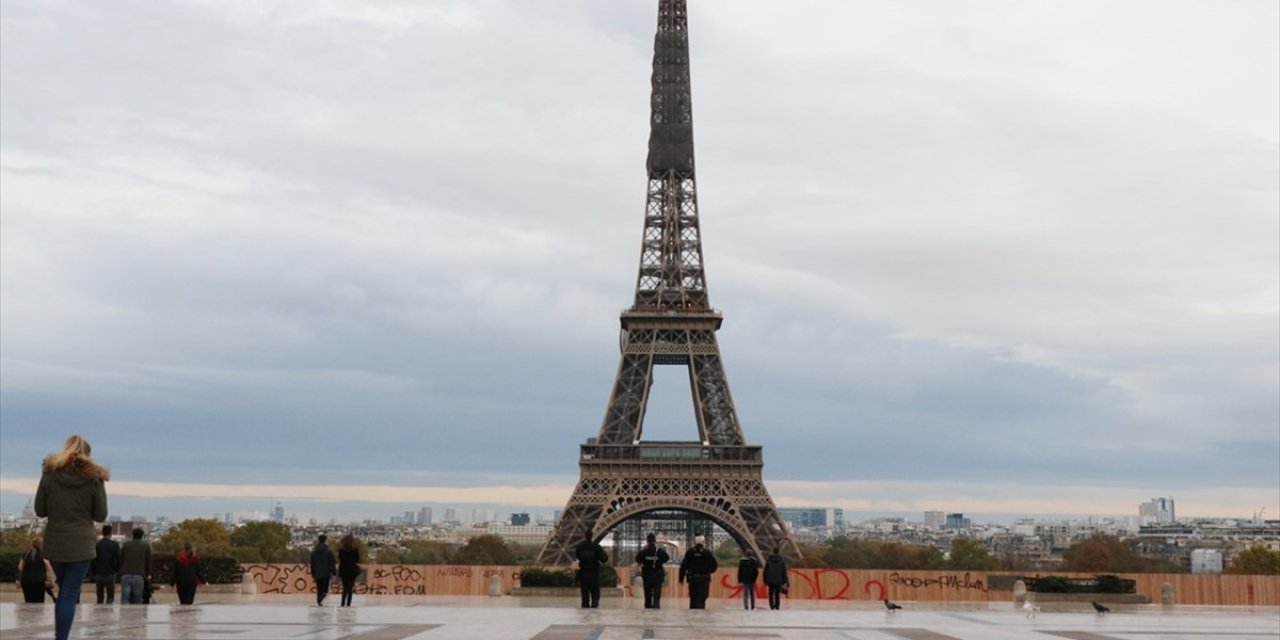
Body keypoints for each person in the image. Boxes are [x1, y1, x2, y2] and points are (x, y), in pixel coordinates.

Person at [35, 435, 109, 640]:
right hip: (82, 544)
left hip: (55, 542)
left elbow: (40, 510)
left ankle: (61, 636)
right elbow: (100, 515)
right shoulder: (95, 479)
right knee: (70, 593)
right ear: (88, 454)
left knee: (63, 591)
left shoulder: (49, 474)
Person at [678, 534, 718, 609]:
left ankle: (693, 616)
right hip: (704, 578)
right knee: (701, 599)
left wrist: (681, 578)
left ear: (695, 542)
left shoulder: (690, 552)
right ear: (703, 542)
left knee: (693, 598)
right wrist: (709, 571)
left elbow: (683, 566)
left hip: (693, 578)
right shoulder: (707, 552)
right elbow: (715, 565)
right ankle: (700, 616)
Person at [635, 533, 669, 609]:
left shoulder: (644, 551)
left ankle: (648, 607)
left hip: (647, 575)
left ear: (647, 541)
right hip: (657, 575)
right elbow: (667, 558)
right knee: (657, 594)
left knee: (648, 594)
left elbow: (637, 559)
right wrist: (659, 562)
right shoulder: (659, 551)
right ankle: (656, 607)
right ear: (655, 541)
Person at [118, 528, 152, 604]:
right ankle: (137, 614)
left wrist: (121, 571)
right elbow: (148, 561)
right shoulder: (146, 545)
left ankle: (123, 614)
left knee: (125, 597)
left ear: (132, 535)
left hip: (126, 574)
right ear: (142, 536)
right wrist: (148, 574)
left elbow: (121, 559)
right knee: (138, 598)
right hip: (139, 575)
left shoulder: (126, 545)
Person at [17, 537, 56, 603]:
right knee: (39, 603)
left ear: (32, 544)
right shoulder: (43, 554)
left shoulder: (26, 554)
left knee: (28, 602)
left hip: (26, 581)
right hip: (39, 582)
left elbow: (20, 567)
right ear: (41, 544)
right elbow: (49, 567)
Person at [573, 537, 609, 608]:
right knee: (594, 589)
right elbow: (604, 559)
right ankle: (594, 603)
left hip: (584, 571)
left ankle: (585, 603)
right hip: (594, 572)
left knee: (584, 590)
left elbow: (577, 555)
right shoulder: (596, 547)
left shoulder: (580, 547)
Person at [93, 524, 121, 604]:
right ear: (110, 533)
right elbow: (118, 559)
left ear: (102, 533)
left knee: (99, 597)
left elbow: (93, 559)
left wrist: (94, 572)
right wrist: (116, 570)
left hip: (99, 572)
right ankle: (108, 613)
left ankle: (99, 612)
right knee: (110, 596)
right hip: (110, 573)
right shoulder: (115, 545)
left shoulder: (97, 545)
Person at [309, 534, 336, 607]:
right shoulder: (328, 552)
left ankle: (319, 600)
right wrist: (334, 572)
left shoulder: (314, 553)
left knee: (319, 588)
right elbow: (332, 562)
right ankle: (321, 598)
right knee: (325, 590)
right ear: (325, 541)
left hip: (317, 573)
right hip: (326, 573)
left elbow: (312, 564)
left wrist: (313, 573)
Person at [337, 534, 361, 607]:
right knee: (350, 588)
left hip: (344, 570)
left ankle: (342, 603)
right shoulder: (355, 550)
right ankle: (348, 604)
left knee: (345, 588)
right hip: (352, 571)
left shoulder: (341, 550)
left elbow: (340, 559)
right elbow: (357, 560)